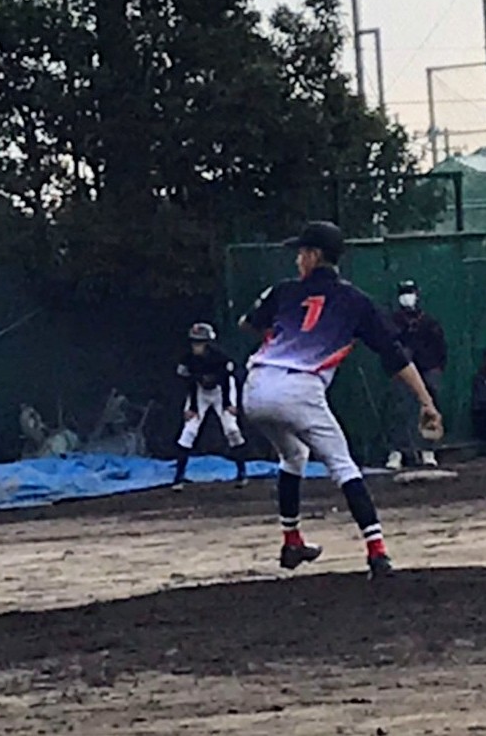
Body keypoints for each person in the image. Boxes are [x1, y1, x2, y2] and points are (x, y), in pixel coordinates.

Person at [238, 221, 442, 579]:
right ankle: (377, 552)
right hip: (300, 388)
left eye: (301, 253)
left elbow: (248, 323)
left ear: (315, 256)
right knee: (343, 466)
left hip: (255, 388)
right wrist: (426, 402)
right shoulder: (356, 301)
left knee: (293, 455)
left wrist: (277, 324)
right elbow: (394, 356)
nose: (298, 259)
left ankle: (292, 541)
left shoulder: (284, 290)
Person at [173, 322, 247, 487]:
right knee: (189, 431)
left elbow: (227, 380)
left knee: (232, 429)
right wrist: (192, 407)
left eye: (200, 342)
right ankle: (179, 477)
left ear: (208, 343)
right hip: (200, 392)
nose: (196, 346)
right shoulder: (188, 360)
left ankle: (242, 473)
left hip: (221, 392)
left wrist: (229, 404)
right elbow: (190, 383)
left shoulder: (220, 357)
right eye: (194, 342)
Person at [385, 279, 447, 471]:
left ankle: (428, 450)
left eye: (410, 292)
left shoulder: (428, 322)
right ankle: (398, 451)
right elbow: (388, 347)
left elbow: (440, 348)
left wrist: (436, 367)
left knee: (429, 409)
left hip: (427, 370)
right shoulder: (393, 322)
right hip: (403, 371)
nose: (407, 297)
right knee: (400, 410)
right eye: (404, 293)